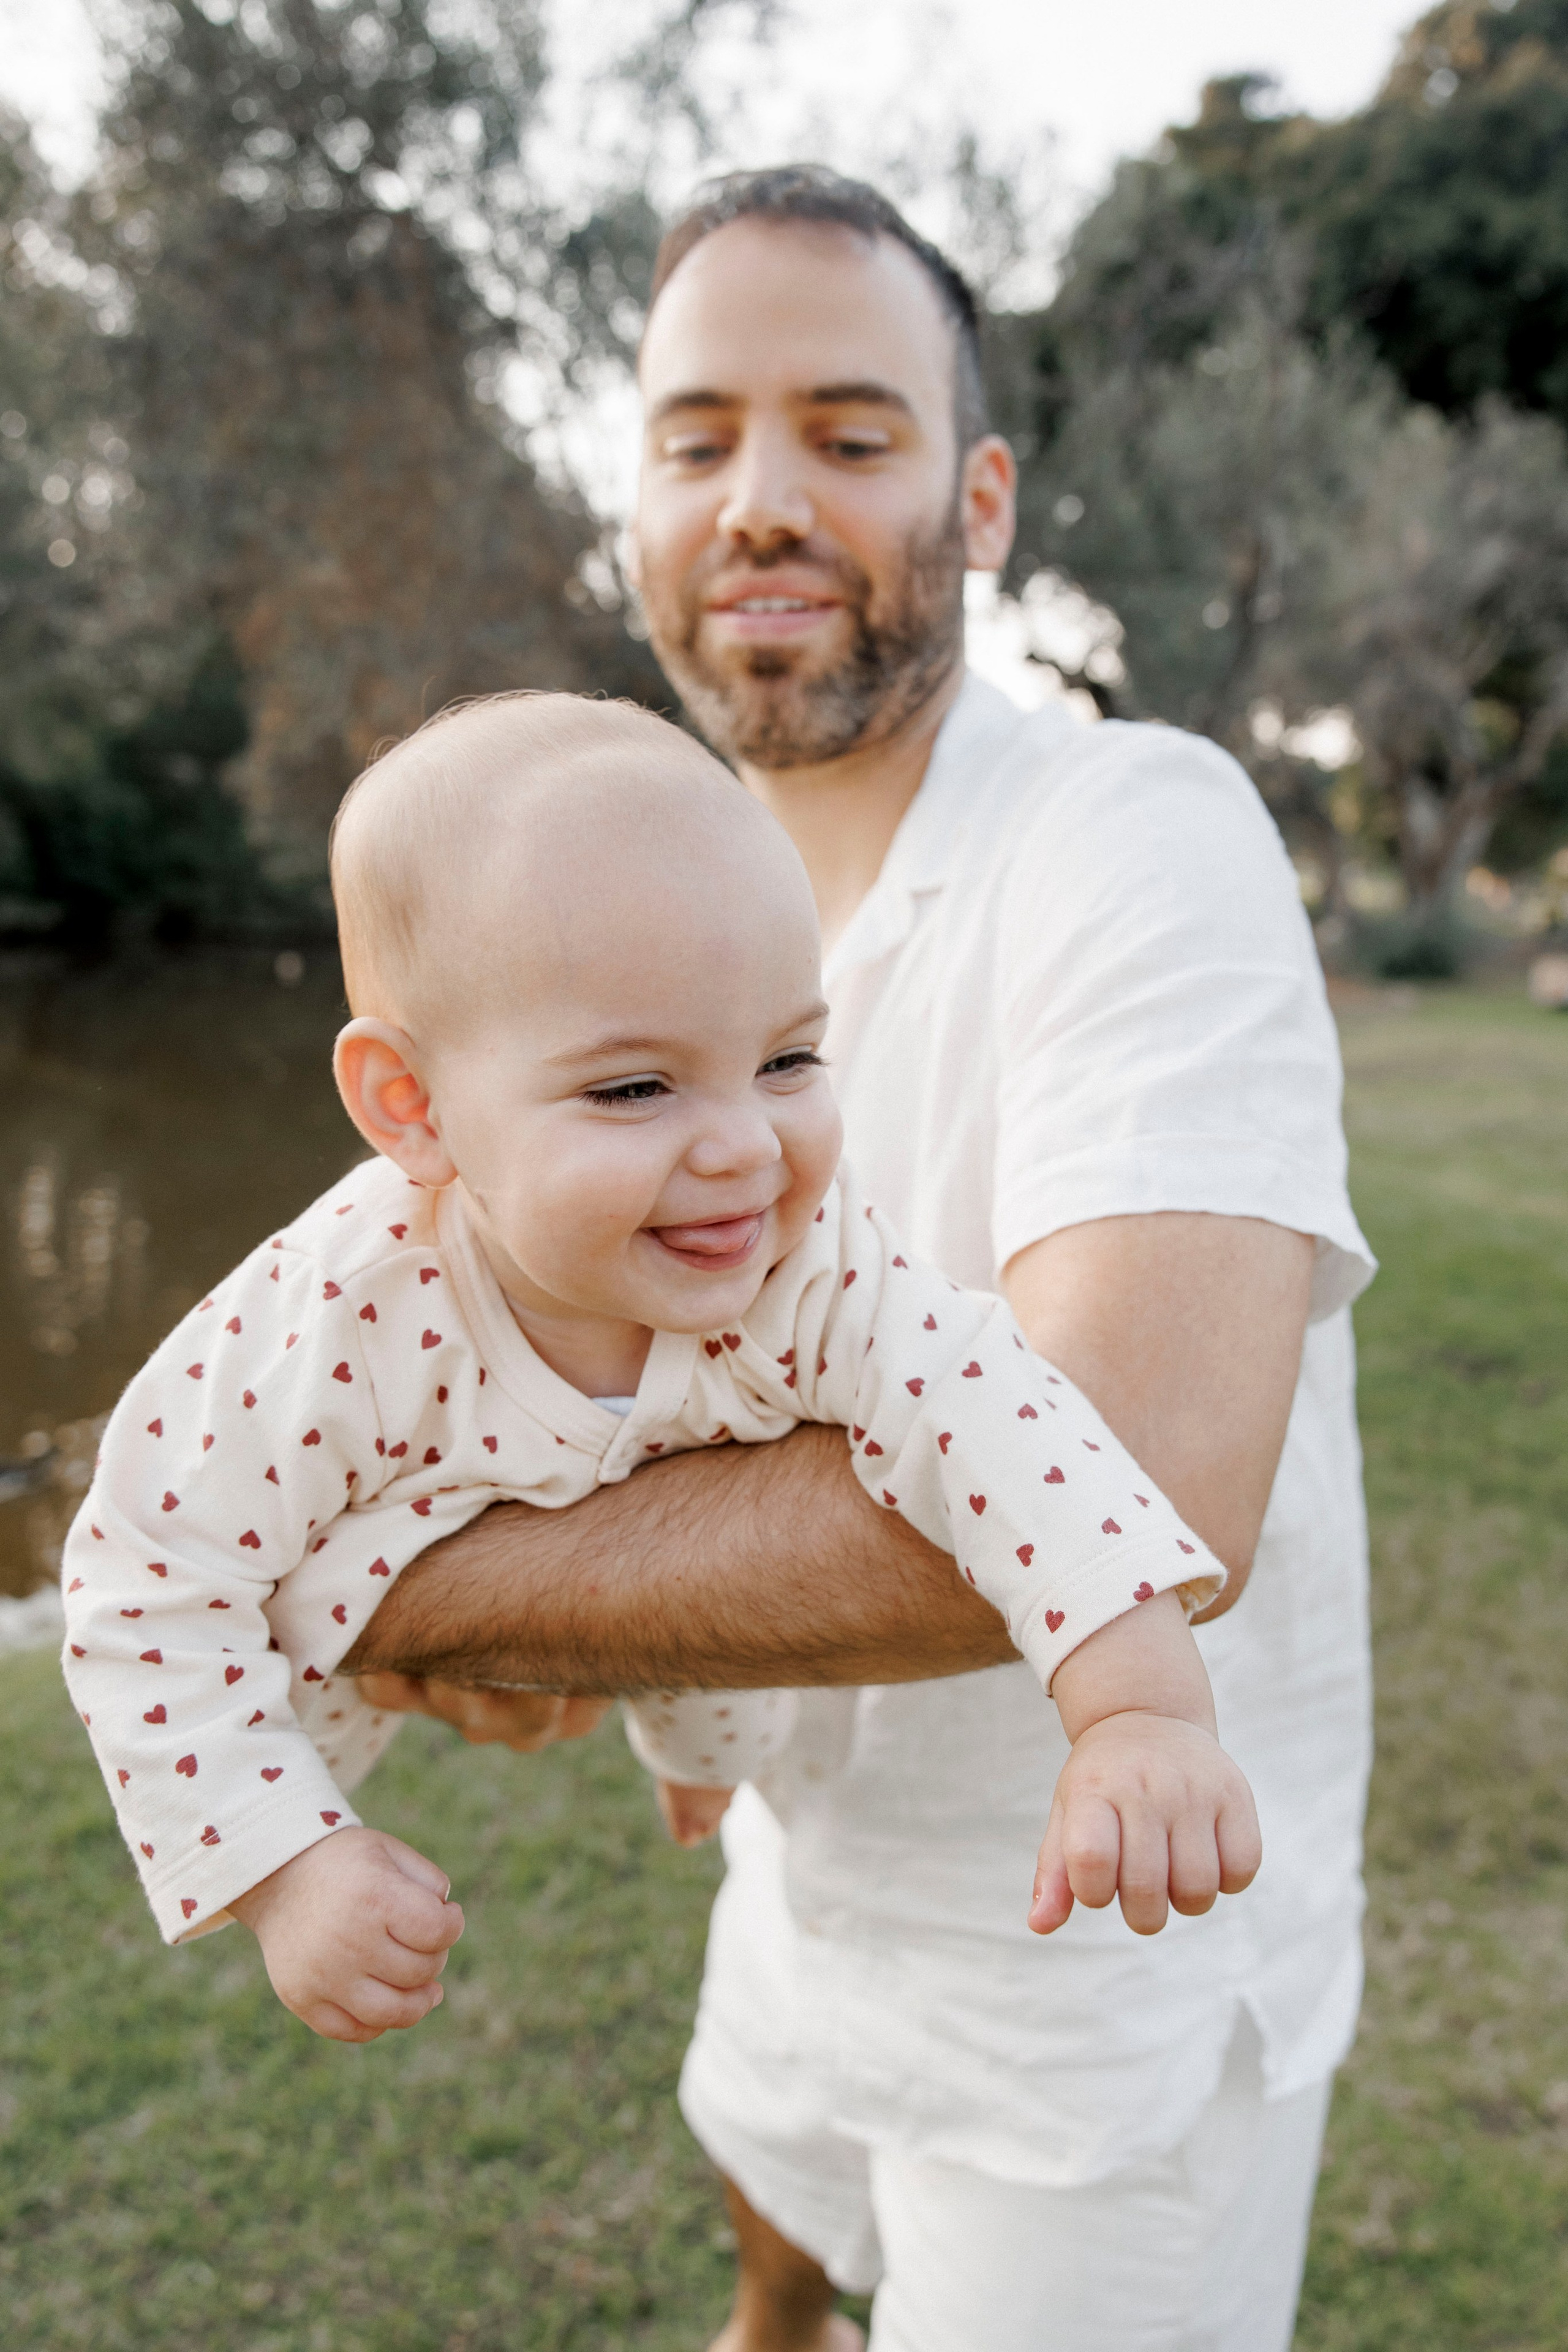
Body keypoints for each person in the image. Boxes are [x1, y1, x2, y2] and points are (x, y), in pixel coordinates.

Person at [345, 168, 1377, 2352]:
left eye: (851, 428)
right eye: (698, 435)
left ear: (982, 498)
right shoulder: (641, 931)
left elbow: (1141, 1477)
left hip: (1096, 1975)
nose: (763, 498)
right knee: (776, 2241)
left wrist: (436, 1586)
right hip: (809, 1897)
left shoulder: (1139, 831)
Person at [60, 690, 1256, 2045]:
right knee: (285, 1701)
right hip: (330, 1658)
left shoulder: (810, 1257)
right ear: (414, 1106)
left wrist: (1138, 1711)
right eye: (635, 1089)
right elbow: (145, 1576)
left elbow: (1004, 1427)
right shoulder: (324, 1327)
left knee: (718, 1723)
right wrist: (288, 1869)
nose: (746, 1146)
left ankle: (698, 1776)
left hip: (696, 1584)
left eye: (787, 1057)